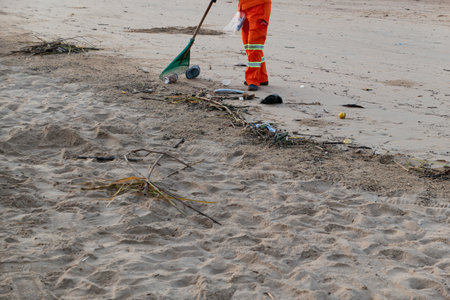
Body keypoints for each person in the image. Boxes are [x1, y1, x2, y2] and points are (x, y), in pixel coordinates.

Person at [238, 0, 271, 91]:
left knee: (254, 45)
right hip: (244, 6)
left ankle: (252, 79)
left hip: (259, 7)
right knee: (248, 45)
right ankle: (261, 77)